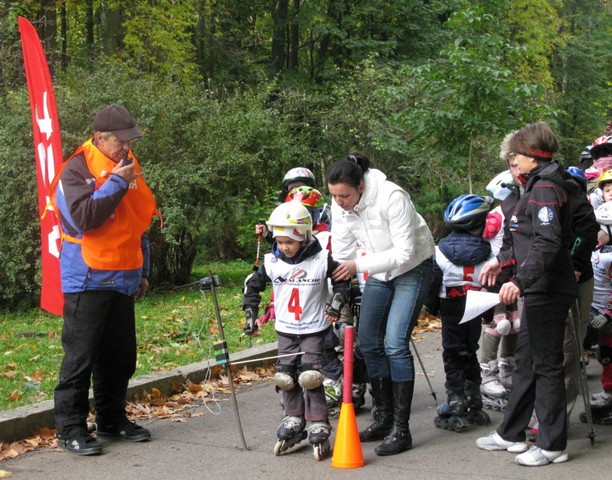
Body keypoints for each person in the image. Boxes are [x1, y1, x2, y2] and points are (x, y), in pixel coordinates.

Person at [50, 105, 159, 455]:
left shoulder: (127, 166)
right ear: (99, 138)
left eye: (131, 140)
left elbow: (137, 221)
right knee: (80, 359)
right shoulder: (74, 170)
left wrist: (142, 271)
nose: (127, 147)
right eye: (121, 141)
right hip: (87, 277)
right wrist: (117, 182)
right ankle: (69, 430)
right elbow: (84, 219)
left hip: (124, 276)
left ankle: (111, 420)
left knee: (121, 357)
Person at [475, 122, 582, 466]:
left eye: (515, 156)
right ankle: (511, 432)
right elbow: (524, 239)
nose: (512, 161)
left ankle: (552, 445)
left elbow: (547, 242)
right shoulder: (534, 185)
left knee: (548, 365)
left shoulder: (546, 189)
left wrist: (519, 280)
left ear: (533, 157)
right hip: (537, 287)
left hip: (547, 289)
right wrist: (502, 263)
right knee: (527, 362)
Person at [327, 152, 435, 456]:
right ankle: (383, 418)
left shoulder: (392, 197)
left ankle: (402, 429)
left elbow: (403, 253)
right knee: (368, 341)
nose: (339, 202)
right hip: (377, 269)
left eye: (344, 195)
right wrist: (341, 285)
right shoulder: (340, 206)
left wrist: (357, 264)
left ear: (360, 186)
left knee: (395, 344)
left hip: (412, 267)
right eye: (334, 195)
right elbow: (343, 249)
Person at [243, 201, 349, 461]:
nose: (283, 247)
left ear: (303, 236)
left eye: (289, 241)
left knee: (311, 376)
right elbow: (252, 288)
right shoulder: (272, 261)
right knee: (285, 377)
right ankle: (293, 418)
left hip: (314, 328)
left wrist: (336, 305)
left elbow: (342, 282)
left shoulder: (322, 259)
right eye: (279, 241)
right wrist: (251, 314)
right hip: (286, 330)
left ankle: (318, 421)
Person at [428, 194, 495, 432]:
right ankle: (474, 398)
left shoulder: (439, 251)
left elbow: (434, 280)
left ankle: (455, 401)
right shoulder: (489, 253)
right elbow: (492, 283)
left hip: (451, 306)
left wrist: (432, 307)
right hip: (475, 305)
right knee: (470, 351)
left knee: (452, 353)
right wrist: (489, 314)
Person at [579, 202, 612, 425]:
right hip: (598, 310)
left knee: (609, 353)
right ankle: (608, 392)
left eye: (600, 227)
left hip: (607, 314)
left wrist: (608, 313)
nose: (596, 232)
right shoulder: (600, 249)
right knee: (605, 353)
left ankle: (610, 396)